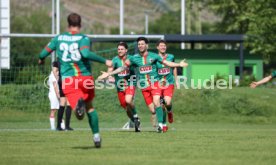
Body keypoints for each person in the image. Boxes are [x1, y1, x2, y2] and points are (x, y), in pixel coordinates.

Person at [39, 13, 112, 148]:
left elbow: (43, 53)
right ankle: (96, 136)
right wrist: (105, 60)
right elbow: (85, 53)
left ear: (68, 25)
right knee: (90, 108)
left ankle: (79, 105)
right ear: (80, 24)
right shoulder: (83, 38)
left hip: (68, 80)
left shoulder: (59, 38)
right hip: (85, 78)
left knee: (79, 116)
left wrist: (41, 59)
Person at [98, 37, 188, 133]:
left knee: (157, 101)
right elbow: (122, 68)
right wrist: (109, 74)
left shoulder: (154, 56)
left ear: (147, 45)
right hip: (144, 87)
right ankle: (158, 118)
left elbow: (166, 62)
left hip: (155, 84)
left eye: (142, 44)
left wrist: (178, 65)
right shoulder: (134, 58)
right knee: (153, 109)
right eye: (139, 44)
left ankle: (161, 125)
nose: (140, 45)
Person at [108, 42, 140, 132]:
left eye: (122, 49)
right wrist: (110, 75)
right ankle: (135, 120)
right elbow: (110, 68)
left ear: (126, 50)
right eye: (118, 49)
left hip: (131, 83)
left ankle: (136, 117)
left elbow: (139, 65)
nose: (120, 51)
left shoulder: (131, 58)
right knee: (126, 108)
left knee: (128, 100)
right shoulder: (114, 60)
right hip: (120, 86)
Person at [156, 39, 179, 132]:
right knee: (161, 106)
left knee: (167, 103)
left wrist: (176, 80)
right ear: (157, 47)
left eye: (164, 45)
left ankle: (170, 111)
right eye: (161, 45)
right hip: (158, 85)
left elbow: (174, 68)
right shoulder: (154, 58)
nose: (163, 47)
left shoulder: (171, 56)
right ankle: (164, 125)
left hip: (169, 83)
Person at [55, 62, 73, 131]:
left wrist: (58, 79)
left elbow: (55, 71)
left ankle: (58, 126)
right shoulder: (69, 60)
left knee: (62, 103)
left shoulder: (58, 61)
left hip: (61, 80)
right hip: (69, 80)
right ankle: (67, 126)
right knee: (69, 103)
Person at [48, 61, 63, 130]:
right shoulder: (53, 75)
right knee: (53, 110)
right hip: (54, 95)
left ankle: (62, 126)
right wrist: (59, 96)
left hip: (56, 94)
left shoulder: (58, 74)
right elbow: (55, 86)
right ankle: (53, 127)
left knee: (60, 110)